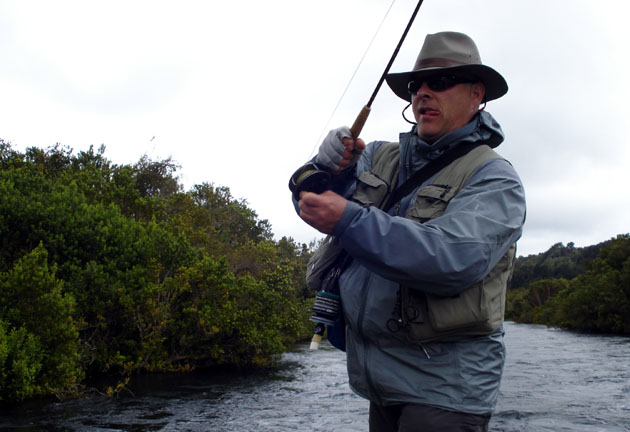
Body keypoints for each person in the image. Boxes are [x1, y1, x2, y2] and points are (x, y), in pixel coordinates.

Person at [291, 31, 526, 432]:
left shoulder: (495, 179)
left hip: (447, 390)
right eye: (417, 85)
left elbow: (451, 259)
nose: (423, 93)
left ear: (476, 94)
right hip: (380, 382)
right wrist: (326, 164)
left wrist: (349, 219)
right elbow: (312, 197)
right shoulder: (378, 156)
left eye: (440, 82)